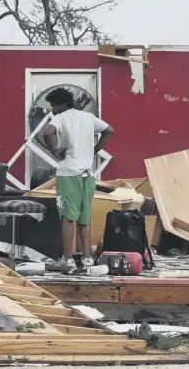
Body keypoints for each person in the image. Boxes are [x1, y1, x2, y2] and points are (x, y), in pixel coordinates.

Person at [42, 87, 115, 273]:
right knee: (85, 219)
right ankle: (88, 260)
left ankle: (68, 261)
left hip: (68, 175)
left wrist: (55, 151)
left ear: (62, 104)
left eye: (53, 106)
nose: (52, 110)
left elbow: (47, 132)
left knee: (67, 218)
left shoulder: (61, 118)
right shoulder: (88, 117)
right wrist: (94, 149)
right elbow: (110, 131)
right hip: (87, 175)